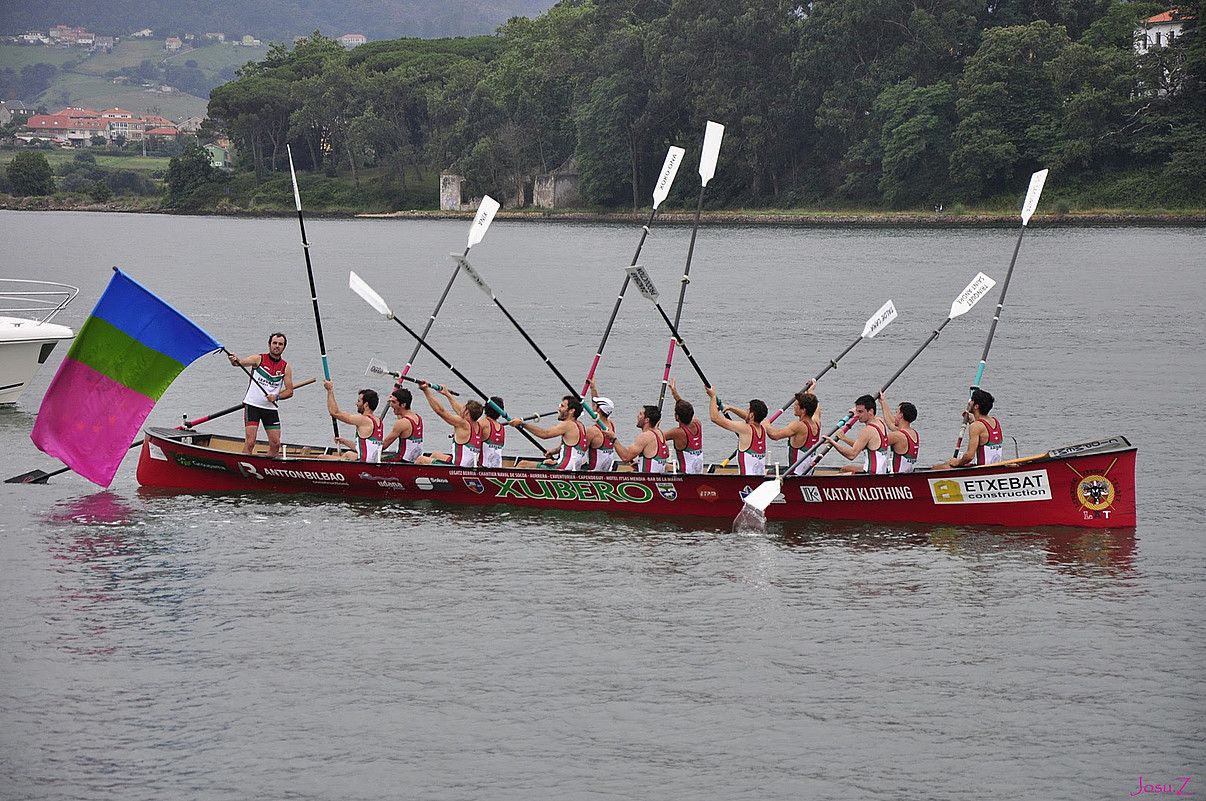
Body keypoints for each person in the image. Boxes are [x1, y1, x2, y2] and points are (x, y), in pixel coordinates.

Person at [227, 332, 294, 458]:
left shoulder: (285, 367)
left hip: (270, 408)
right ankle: (244, 466)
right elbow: (239, 363)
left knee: (275, 444)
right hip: (253, 405)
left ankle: (266, 469)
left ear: (284, 347)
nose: (277, 346)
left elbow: (289, 391)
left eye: (280, 344)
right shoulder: (258, 359)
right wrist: (234, 359)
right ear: (269, 345)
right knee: (251, 442)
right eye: (274, 343)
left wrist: (277, 397)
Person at [510, 394, 588, 470]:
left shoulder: (567, 425)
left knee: (523, 464)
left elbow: (545, 434)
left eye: (562, 406)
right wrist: (553, 451)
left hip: (562, 468)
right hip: (573, 468)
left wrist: (522, 424)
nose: (559, 409)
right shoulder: (580, 425)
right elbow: (570, 446)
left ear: (571, 411)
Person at [706, 386, 769, 476]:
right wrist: (731, 408)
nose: (745, 411)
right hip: (760, 481)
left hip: (746, 483)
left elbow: (715, 418)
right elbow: (748, 417)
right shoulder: (763, 427)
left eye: (748, 410)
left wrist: (713, 397)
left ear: (751, 415)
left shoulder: (745, 429)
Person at [419, 381, 483, 467]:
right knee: (435, 455)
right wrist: (447, 394)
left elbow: (441, 411)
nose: (461, 408)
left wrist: (426, 390)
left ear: (467, 412)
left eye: (463, 407)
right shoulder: (478, 425)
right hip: (467, 466)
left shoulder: (463, 424)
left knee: (421, 460)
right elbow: (459, 410)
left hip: (457, 469)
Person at [935, 389, 1002, 468]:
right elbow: (983, 433)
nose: (969, 402)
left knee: (936, 467)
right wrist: (972, 421)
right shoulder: (995, 421)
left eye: (972, 400)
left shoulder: (976, 426)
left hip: (983, 470)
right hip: (995, 466)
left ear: (976, 406)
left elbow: (969, 456)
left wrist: (957, 462)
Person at [824, 394, 890, 474]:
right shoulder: (880, 421)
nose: (857, 415)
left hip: (871, 474)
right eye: (857, 411)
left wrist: (832, 442)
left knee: (843, 472)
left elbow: (851, 455)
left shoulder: (867, 430)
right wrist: (843, 438)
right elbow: (861, 446)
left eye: (860, 412)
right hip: (882, 471)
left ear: (871, 411)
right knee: (846, 469)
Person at [766, 380, 821, 475]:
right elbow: (816, 407)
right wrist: (811, 390)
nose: (793, 407)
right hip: (808, 473)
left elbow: (774, 435)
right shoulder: (817, 423)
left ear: (803, 410)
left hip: (795, 474)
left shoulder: (799, 426)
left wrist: (765, 424)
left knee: (766, 473)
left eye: (796, 405)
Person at [444, 391, 507, 468]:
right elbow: (466, 415)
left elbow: (467, 417)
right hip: (497, 467)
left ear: (486, 409)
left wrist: (449, 396)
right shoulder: (502, 428)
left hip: (483, 468)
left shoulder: (483, 424)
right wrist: (449, 396)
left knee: (435, 455)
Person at [325, 381, 383, 462]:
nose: (356, 404)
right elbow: (363, 447)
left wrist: (330, 390)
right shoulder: (378, 421)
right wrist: (343, 441)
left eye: (359, 401)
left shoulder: (363, 420)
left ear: (366, 405)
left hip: (363, 464)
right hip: (372, 461)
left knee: (321, 457)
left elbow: (335, 413)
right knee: (348, 454)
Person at [609, 405, 670, 473]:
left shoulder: (645, 436)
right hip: (657, 479)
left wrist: (613, 439)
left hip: (647, 481)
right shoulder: (660, 433)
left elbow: (625, 457)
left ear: (647, 420)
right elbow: (665, 455)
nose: (638, 416)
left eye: (641, 414)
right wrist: (640, 461)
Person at [666, 378, 704, 474]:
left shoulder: (677, 432)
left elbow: (655, 437)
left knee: (663, 465)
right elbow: (686, 409)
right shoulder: (697, 423)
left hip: (686, 476)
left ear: (677, 416)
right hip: (699, 473)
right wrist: (674, 393)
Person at [878, 390, 920, 473]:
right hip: (907, 474)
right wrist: (883, 402)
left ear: (901, 415)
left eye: (896, 412)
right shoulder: (913, 433)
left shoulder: (897, 436)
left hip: (896, 478)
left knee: (848, 468)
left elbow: (874, 444)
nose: (894, 415)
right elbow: (891, 423)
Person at [381, 387, 424, 463]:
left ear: (403, 404)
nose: (390, 405)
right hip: (414, 459)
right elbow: (401, 417)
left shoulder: (402, 423)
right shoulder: (417, 417)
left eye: (394, 402)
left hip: (402, 460)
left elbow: (384, 446)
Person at [583, 377, 616, 472]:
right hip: (607, 472)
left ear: (598, 410)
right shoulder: (611, 425)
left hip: (593, 474)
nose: (592, 406)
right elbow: (597, 407)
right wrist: (593, 388)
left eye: (594, 405)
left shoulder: (593, 431)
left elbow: (579, 451)